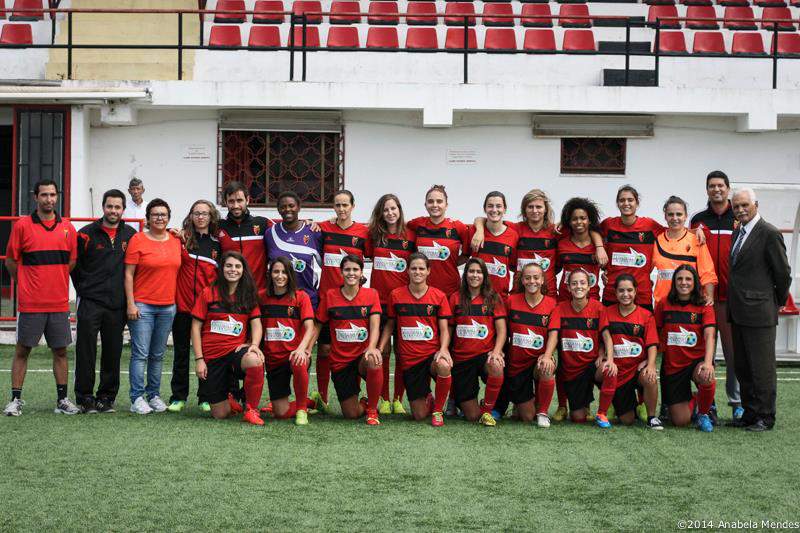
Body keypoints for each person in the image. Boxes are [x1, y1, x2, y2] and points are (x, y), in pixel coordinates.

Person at [3, 179, 79, 417]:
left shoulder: (68, 228)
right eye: (44, 195)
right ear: (35, 197)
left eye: (52, 195)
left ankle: (62, 400)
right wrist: (25, 283)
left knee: (60, 352)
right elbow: (11, 261)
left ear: (58, 197)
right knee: (22, 351)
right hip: (31, 303)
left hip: (58, 303)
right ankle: (15, 400)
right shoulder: (22, 226)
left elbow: (72, 262)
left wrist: (54, 281)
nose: (49, 199)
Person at [727, 188, 791, 432]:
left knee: (761, 368)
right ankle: (750, 413)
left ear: (756, 204)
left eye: (745, 205)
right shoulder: (738, 232)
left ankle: (765, 416)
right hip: (739, 310)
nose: (741, 209)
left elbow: (783, 274)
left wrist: (777, 300)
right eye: (736, 206)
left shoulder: (769, 233)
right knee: (743, 366)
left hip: (760, 311)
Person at [71, 189, 137, 414]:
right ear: (103, 207)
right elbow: (74, 267)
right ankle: (85, 397)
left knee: (113, 351)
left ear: (123, 209)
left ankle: (106, 397)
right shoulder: (86, 234)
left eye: (118, 207)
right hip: (91, 301)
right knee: (86, 350)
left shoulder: (130, 235)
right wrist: (84, 289)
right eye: (110, 206)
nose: (113, 211)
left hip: (116, 304)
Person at [690, 170, 742, 421]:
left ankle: (737, 402)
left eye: (720, 185)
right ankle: (706, 405)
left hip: (731, 300)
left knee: (733, 353)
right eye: (712, 186)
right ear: (707, 190)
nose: (716, 190)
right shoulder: (698, 220)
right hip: (705, 299)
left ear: (728, 188)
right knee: (702, 354)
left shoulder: (739, 217)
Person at [192, 251, 265, 426]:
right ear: (222, 268)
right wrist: (199, 359)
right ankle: (230, 401)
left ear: (243, 270)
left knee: (254, 360)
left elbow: (256, 324)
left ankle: (251, 410)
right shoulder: (208, 293)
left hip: (235, 353)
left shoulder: (248, 295)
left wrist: (254, 345)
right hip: (212, 357)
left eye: (237, 266)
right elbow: (195, 327)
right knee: (220, 414)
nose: (233, 270)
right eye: (229, 266)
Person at [379, 253, 453, 427]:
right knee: (419, 415)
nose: (417, 272)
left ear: (428, 271)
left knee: (444, 365)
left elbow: (444, 329)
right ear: (407, 270)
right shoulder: (396, 295)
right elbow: (390, 325)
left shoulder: (439, 296)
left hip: (431, 356)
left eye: (421, 268)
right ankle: (428, 397)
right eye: (414, 268)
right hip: (410, 360)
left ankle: (438, 410)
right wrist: (380, 347)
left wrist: (443, 349)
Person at [124, 198, 182, 415]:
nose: (160, 218)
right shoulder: (137, 240)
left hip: (168, 306)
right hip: (143, 306)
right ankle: (136, 397)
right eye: (155, 214)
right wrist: (131, 303)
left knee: (157, 354)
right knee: (140, 354)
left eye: (163, 214)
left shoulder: (176, 240)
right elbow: (128, 274)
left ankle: (154, 395)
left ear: (168, 217)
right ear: (148, 218)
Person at [315, 190, 370, 407]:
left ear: (353, 206)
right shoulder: (324, 228)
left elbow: (371, 258)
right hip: (327, 298)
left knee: (354, 347)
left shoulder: (364, 232)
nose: (341, 209)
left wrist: (359, 280)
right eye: (337, 205)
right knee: (325, 349)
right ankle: (322, 396)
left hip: (353, 300)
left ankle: (355, 396)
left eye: (345, 205)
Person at [315, 254, 383, 425]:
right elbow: (317, 325)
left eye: (355, 269)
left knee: (374, 359)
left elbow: (375, 325)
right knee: (351, 414)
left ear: (361, 273)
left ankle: (373, 410)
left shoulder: (371, 294)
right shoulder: (330, 296)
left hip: (362, 356)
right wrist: (307, 348)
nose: (351, 273)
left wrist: (372, 347)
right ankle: (365, 403)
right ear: (341, 272)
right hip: (340, 361)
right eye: (347, 269)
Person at [168, 200, 221, 413]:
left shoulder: (218, 244)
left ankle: (205, 397)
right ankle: (178, 397)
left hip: (206, 311)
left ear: (211, 217)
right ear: (191, 216)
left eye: (205, 213)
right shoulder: (180, 239)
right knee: (181, 354)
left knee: (206, 355)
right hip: (182, 308)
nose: (200, 217)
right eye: (196, 213)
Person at [544, 269, 614, 425]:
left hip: (592, 365)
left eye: (583, 283)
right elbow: (554, 335)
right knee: (578, 419)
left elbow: (607, 337)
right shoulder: (560, 308)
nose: (578, 286)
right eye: (574, 283)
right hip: (571, 370)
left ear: (589, 286)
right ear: (568, 288)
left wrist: (609, 359)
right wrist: (548, 356)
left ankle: (602, 413)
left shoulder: (598, 308)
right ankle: (573, 406)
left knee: (609, 370)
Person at [366, 193, 415, 415]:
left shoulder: (411, 236)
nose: (390, 213)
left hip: (403, 302)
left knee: (403, 353)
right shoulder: (374, 236)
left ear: (399, 209)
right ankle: (384, 399)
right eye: (386, 209)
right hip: (380, 303)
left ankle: (398, 399)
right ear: (381, 213)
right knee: (382, 351)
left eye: (393, 208)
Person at [655, 265, 717, 432]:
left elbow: (710, 335)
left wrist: (708, 362)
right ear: (674, 282)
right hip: (673, 366)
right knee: (680, 421)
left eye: (688, 279)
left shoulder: (704, 304)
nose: (684, 283)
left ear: (695, 282)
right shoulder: (664, 304)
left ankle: (704, 413)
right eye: (679, 279)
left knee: (706, 375)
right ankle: (695, 400)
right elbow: (655, 332)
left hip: (696, 362)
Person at [448, 258, 507, 426]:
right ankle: (468, 404)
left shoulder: (493, 298)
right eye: (471, 271)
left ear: (484, 276)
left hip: (484, 356)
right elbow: (449, 329)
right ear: (465, 274)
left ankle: (488, 411)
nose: (475, 275)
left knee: (496, 365)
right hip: (462, 359)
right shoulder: (455, 298)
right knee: (472, 416)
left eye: (479, 272)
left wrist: (496, 351)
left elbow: (502, 330)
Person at [259, 257, 317, 425]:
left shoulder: (301, 297)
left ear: (290, 275)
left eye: (284, 272)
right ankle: (309, 402)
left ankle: (301, 410)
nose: (280, 276)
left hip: (294, 355)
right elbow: (254, 324)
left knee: (299, 361)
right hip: (273, 360)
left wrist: (301, 349)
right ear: (270, 274)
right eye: (276, 272)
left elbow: (310, 327)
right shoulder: (261, 297)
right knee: (281, 413)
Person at [600, 275, 662, 430]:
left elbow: (652, 344)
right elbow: (604, 338)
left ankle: (652, 417)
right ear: (615, 293)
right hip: (617, 372)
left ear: (635, 292)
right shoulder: (606, 312)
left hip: (636, 369)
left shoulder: (646, 315)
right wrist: (606, 357)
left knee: (650, 376)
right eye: (621, 290)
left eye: (629, 290)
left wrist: (651, 364)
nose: (625, 294)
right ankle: (618, 403)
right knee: (627, 420)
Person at [503, 262, 557, 427]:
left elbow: (553, 334)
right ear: (522, 281)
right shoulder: (511, 301)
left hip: (538, 360)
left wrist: (548, 356)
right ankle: (523, 405)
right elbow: (503, 331)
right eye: (527, 278)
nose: (532, 281)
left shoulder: (552, 304)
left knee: (546, 366)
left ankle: (543, 413)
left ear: (542, 280)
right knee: (526, 416)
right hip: (517, 364)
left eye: (536, 277)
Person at [600, 185, 663, 311]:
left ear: (637, 203)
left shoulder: (649, 225)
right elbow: (588, 232)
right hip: (613, 291)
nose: (626, 203)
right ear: (617, 203)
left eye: (630, 200)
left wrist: (698, 231)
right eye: (622, 200)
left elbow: (673, 233)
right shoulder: (608, 225)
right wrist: (599, 247)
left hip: (641, 293)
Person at [651, 196, 717, 306]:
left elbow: (707, 272)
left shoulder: (696, 240)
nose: (675, 218)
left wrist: (709, 296)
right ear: (665, 216)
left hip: (690, 304)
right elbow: (644, 271)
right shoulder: (657, 240)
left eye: (679, 214)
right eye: (671, 214)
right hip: (662, 305)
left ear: (685, 216)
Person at [407, 185, 470, 297]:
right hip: (421, 292)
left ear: (446, 205)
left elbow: (467, 254)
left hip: (450, 291)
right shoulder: (417, 224)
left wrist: (450, 262)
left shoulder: (457, 227)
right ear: (425, 205)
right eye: (430, 201)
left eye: (439, 201)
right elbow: (397, 224)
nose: (435, 205)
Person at [263, 191, 323, 307]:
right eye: (283, 207)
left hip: (308, 299)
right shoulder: (270, 233)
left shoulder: (313, 231)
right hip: (279, 300)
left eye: (291, 206)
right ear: (278, 209)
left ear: (299, 207)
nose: (287, 209)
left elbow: (325, 264)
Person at [217, 181, 272, 292]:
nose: (236, 206)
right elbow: (197, 231)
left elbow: (286, 229)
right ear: (226, 202)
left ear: (247, 200)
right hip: (230, 293)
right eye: (231, 201)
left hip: (258, 292)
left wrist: (306, 224)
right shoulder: (218, 226)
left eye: (239, 200)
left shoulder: (263, 223)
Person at [467, 192, 518, 297]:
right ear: (484, 209)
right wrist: (479, 229)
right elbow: (465, 256)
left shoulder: (513, 235)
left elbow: (512, 266)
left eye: (498, 206)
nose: (494, 210)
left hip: (500, 298)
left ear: (505, 209)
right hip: (475, 297)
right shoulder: (473, 231)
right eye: (490, 206)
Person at [556, 198, 602, 302]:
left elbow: (608, 267)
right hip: (565, 299)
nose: (579, 222)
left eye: (583, 218)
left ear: (590, 220)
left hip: (591, 299)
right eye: (574, 219)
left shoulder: (600, 245)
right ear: (569, 222)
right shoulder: (561, 241)